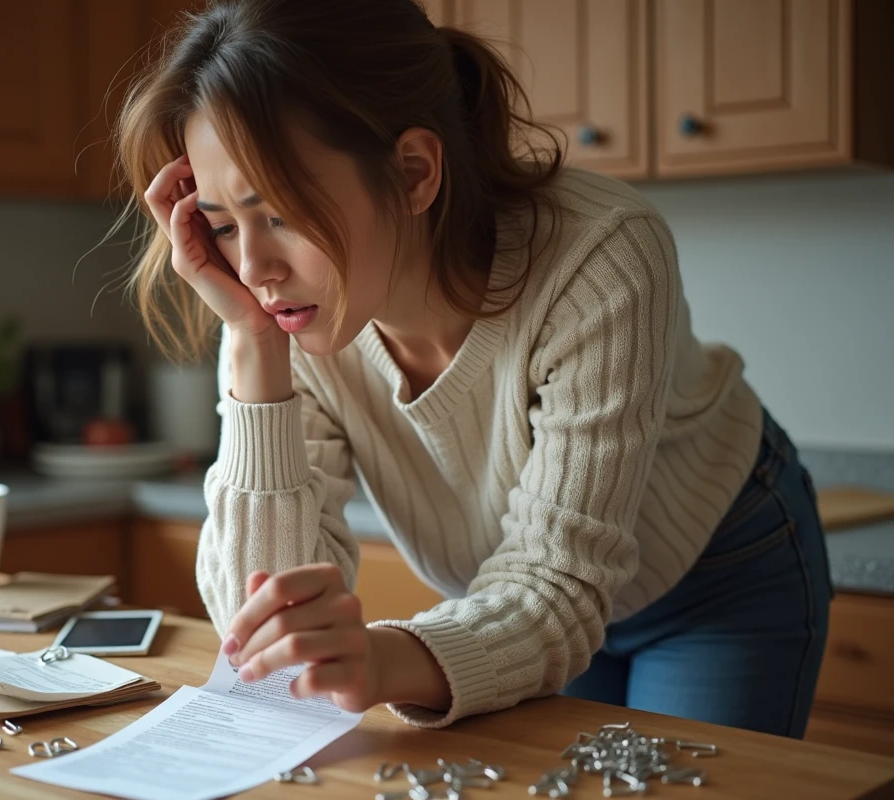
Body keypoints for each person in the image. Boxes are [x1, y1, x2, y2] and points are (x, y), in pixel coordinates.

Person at [111, 0, 833, 736]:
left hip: (715, 571)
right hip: (522, 606)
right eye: (224, 226)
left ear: (415, 172)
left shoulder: (599, 255)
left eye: (286, 213)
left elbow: (559, 583)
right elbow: (256, 632)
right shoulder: (292, 316)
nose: (256, 268)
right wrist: (251, 347)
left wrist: (386, 656)